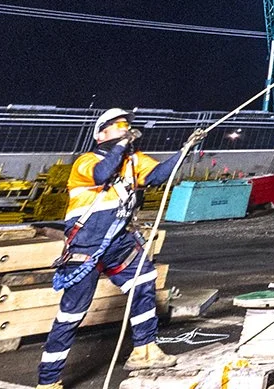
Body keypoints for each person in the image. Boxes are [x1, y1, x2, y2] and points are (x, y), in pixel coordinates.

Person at [38, 108, 198, 386]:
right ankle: (48, 380)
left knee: (144, 281)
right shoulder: (85, 162)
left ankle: (145, 349)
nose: (125, 128)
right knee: (71, 313)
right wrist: (124, 144)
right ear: (100, 135)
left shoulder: (133, 162)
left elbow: (158, 175)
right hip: (86, 246)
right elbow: (102, 174)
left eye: (127, 125)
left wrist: (183, 151)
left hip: (119, 243)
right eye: (118, 126)